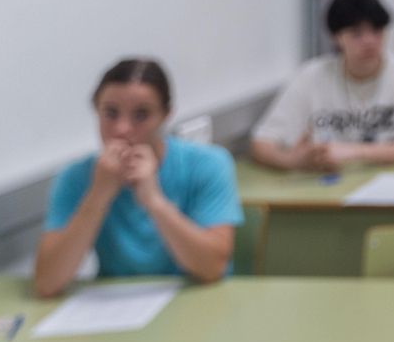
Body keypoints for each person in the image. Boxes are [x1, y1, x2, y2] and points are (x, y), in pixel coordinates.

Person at [34, 59, 241, 298]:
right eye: (110, 113)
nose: (122, 129)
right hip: (116, 309)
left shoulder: (208, 164)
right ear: (96, 111)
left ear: (165, 115)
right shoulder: (75, 177)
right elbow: (47, 282)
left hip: (197, 300)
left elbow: (213, 267)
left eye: (141, 115)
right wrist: (98, 194)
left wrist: (154, 201)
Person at [250, 0, 394, 173]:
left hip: (393, 181)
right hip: (326, 185)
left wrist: (353, 152)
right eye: (356, 34)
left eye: (377, 31)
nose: (369, 41)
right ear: (337, 37)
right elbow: (262, 142)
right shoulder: (311, 76)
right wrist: (293, 161)